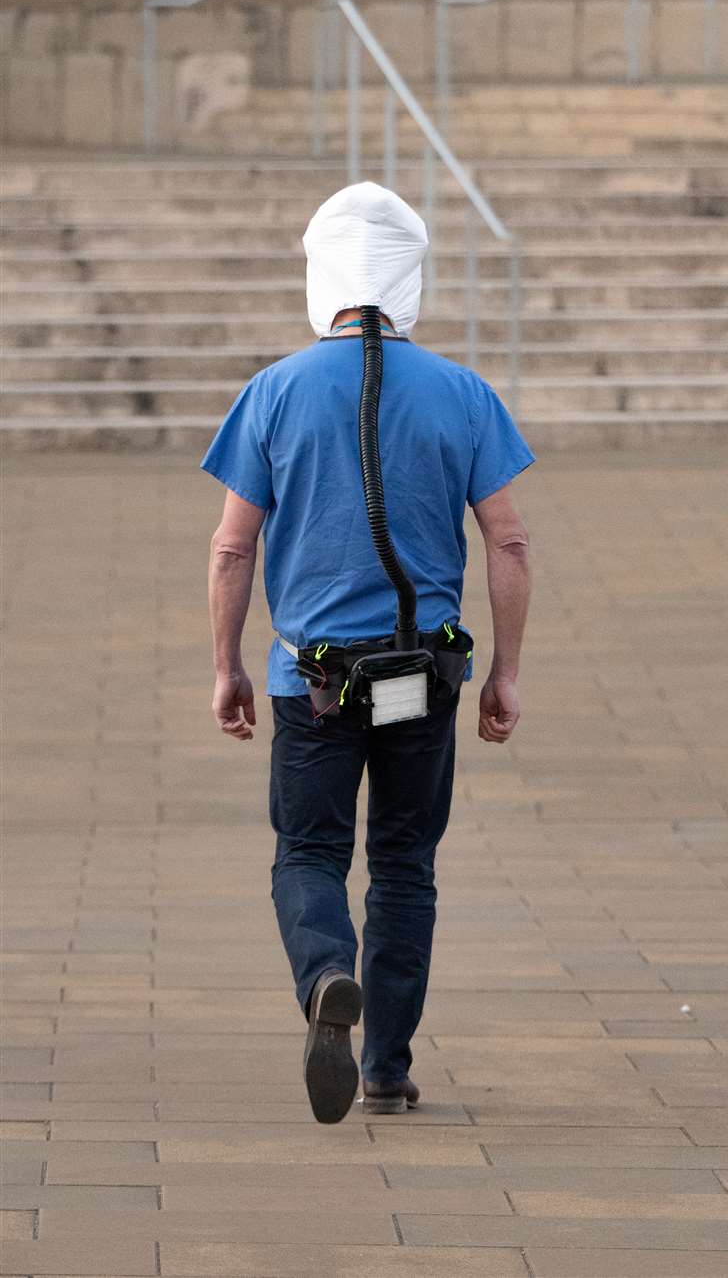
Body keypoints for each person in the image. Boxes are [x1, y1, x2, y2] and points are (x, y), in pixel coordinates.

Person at [201, 182, 533, 1124]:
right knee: (404, 864)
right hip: (422, 680)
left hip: (312, 681)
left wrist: (227, 664)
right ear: (408, 279)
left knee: (308, 850)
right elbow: (507, 541)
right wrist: (503, 670)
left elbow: (232, 546)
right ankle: (387, 1065)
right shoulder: (463, 393)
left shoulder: (274, 390)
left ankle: (323, 976)